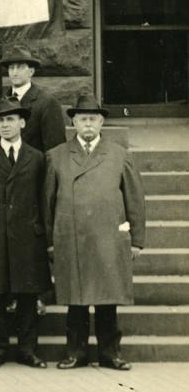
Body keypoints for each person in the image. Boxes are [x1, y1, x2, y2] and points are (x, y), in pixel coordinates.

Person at [45, 94, 146, 370]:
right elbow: (48, 203)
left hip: (107, 237)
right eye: (82, 119)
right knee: (75, 301)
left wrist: (136, 239)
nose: (88, 124)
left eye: (93, 119)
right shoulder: (56, 157)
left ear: (101, 122)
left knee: (107, 299)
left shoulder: (119, 155)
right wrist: (50, 241)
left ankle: (110, 353)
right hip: (71, 236)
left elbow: (134, 199)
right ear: (73, 123)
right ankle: (75, 352)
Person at [0, 97, 52, 369]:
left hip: (27, 236)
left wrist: (44, 235)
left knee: (27, 295)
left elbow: (43, 198)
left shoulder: (36, 158)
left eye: (11, 119)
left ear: (22, 122)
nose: (5, 125)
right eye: (1, 120)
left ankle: (28, 349)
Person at [0, 47, 68, 156]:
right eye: (11, 68)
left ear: (31, 71)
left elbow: (55, 151)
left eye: (20, 68)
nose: (15, 72)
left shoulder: (47, 102)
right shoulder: (2, 101)